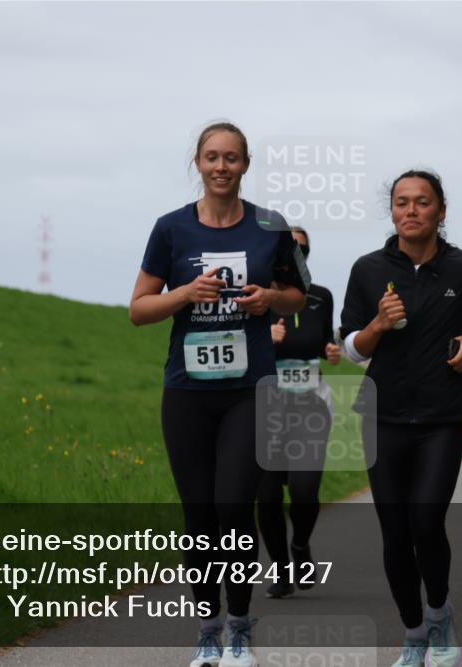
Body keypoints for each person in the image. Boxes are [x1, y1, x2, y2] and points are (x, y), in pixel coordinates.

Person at [129, 121, 310, 667]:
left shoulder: (270, 227)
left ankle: (239, 630)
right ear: (198, 164)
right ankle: (207, 631)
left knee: (235, 507)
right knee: (199, 514)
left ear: (245, 164)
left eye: (231, 158)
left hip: (249, 390)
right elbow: (138, 309)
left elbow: (298, 296)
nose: (221, 167)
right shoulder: (170, 229)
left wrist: (267, 301)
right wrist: (184, 292)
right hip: (186, 392)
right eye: (211, 157)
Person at [340, 169, 462, 667]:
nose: (410, 211)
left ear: (440, 211)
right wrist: (377, 324)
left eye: (421, 202)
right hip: (382, 414)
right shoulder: (367, 269)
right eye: (401, 202)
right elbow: (351, 351)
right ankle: (413, 631)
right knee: (394, 531)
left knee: (426, 522)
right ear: (393, 211)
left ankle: (440, 612)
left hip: (443, 415)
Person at [257, 227, 341, 599]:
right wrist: (264, 341)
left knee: (305, 490)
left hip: (311, 402)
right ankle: (279, 569)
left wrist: (330, 351)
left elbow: (323, 341)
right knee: (269, 495)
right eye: (290, 248)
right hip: (266, 406)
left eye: (302, 249)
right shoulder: (256, 297)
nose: (296, 254)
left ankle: (301, 545)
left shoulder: (321, 296)